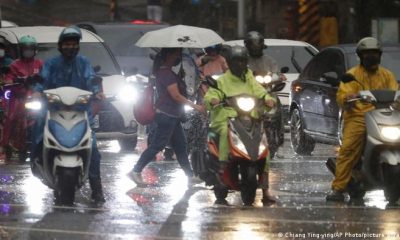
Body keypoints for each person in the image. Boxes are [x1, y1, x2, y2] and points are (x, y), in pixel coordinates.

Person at [32, 26, 106, 203]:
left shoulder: (84, 63)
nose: (70, 47)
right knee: (37, 137)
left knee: (94, 149)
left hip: (80, 113)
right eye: (67, 43)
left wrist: (97, 91)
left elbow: (91, 79)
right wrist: (37, 91)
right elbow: (41, 80)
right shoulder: (51, 63)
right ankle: (37, 163)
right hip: (53, 111)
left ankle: (97, 189)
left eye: (73, 43)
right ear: (60, 45)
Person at [326, 37, 399, 202]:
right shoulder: (352, 75)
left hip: (384, 116)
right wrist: (348, 97)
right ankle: (338, 188)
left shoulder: (387, 75)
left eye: (374, 53)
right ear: (361, 56)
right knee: (348, 150)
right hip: (359, 117)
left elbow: (395, 93)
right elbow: (343, 95)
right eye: (367, 54)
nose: (371, 56)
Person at [203, 45, 277, 203]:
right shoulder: (222, 80)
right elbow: (211, 95)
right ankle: (222, 168)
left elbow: (260, 91)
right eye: (236, 62)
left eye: (242, 61)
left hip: (250, 117)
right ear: (229, 62)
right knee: (223, 131)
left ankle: (265, 190)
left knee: (264, 147)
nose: (240, 65)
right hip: (226, 118)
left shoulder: (249, 77)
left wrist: (267, 98)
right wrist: (214, 100)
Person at [127, 47, 205, 187]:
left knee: (181, 147)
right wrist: (196, 106)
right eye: (176, 54)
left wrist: (179, 77)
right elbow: (176, 96)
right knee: (157, 145)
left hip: (173, 116)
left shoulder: (166, 73)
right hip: (167, 116)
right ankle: (136, 170)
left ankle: (190, 176)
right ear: (169, 55)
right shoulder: (166, 74)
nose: (178, 57)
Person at [2, 35, 43, 161]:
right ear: (21, 49)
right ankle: (6, 144)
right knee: (11, 117)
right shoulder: (15, 65)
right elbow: (8, 79)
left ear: (35, 49)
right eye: (26, 48)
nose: (28, 50)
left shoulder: (40, 63)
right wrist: (17, 80)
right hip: (18, 98)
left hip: (36, 97)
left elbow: (47, 78)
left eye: (31, 48)